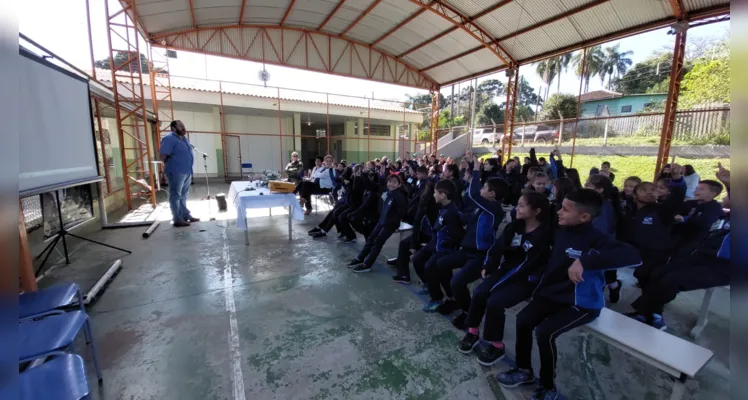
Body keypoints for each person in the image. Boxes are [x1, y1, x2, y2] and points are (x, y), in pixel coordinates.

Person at [495, 189, 641, 399]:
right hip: (552, 294)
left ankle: (548, 387)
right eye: (560, 206)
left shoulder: (597, 238)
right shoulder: (559, 229)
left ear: (584, 217)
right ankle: (523, 370)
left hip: (582, 303)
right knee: (523, 319)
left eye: (565, 209)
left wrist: (584, 261)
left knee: (545, 332)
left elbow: (633, 256)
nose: (559, 212)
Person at [628, 167, 730, 331]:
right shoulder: (695, 205)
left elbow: (700, 224)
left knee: (671, 279)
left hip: (723, 264)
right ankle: (647, 311)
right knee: (658, 271)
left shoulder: (715, 209)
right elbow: (674, 205)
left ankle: (653, 317)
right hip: (703, 254)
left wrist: (684, 220)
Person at [458, 191, 552, 366]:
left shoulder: (545, 235)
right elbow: (497, 247)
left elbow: (529, 265)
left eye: (522, 205)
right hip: (507, 271)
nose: (517, 208)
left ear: (536, 211)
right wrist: (489, 265)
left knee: (495, 301)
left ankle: (497, 345)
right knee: (479, 291)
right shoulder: (515, 226)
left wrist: (498, 281)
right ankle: (473, 332)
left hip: (528, 278)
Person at [434, 156, 509, 326]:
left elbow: (473, 194)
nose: (481, 189)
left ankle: (468, 312)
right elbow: (465, 216)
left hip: (479, 256)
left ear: (492, 194)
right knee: (441, 263)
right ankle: (454, 299)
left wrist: (476, 169)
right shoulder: (480, 208)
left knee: (457, 281)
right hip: (466, 251)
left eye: (484, 187)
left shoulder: (494, 209)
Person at [621, 165, 686, 287]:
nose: (649, 192)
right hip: (635, 250)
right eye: (644, 190)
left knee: (649, 278)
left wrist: (677, 178)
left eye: (653, 190)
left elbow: (677, 198)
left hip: (656, 254)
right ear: (634, 195)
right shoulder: (629, 210)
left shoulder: (662, 210)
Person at [415, 179, 465, 312]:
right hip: (436, 243)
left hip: (444, 248)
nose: (433, 195)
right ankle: (430, 285)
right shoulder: (442, 208)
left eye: (435, 193)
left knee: (432, 267)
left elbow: (457, 234)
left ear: (442, 195)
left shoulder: (452, 212)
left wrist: (446, 245)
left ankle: (437, 298)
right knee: (417, 259)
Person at [347, 174, 407, 272]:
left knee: (377, 242)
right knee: (370, 239)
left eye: (395, 182)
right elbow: (381, 206)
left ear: (399, 185)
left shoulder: (399, 196)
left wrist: (393, 219)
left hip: (390, 224)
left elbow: (402, 211)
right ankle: (360, 258)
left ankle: (367, 264)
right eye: (389, 181)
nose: (391, 184)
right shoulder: (386, 193)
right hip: (382, 221)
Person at [585, 174, 624, 303]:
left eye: (588, 185)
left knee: (598, 278)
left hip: (601, 250)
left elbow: (600, 232)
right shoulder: (599, 204)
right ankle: (613, 286)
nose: (585, 187)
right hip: (603, 249)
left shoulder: (603, 207)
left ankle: (594, 304)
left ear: (600, 189)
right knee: (607, 276)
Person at [391, 180, 438, 284]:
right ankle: (401, 266)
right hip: (429, 235)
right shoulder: (434, 202)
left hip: (433, 237)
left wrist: (413, 245)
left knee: (410, 249)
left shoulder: (426, 203)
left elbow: (417, 223)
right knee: (404, 244)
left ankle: (405, 275)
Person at [160, 120, 198, 227]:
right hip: (176, 171)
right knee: (176, 195)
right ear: (173, 128)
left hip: (186, 171)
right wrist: (172, 164)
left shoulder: (184, 139)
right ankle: (177, 219)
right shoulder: (169, 138)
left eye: (184, 125)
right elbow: (163, 155)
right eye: (180, 126)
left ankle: (185, 215)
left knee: (184, 195)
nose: (183, 128)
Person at [671, 179, 725, 252]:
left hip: (695, 242)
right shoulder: (690, 203)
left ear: (712, 194)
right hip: (677, 237)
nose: (696, 191)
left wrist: (684, 219)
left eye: (701, 189)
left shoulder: (715, 208)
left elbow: (704, 222)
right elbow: (674, 212)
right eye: (696, 188)